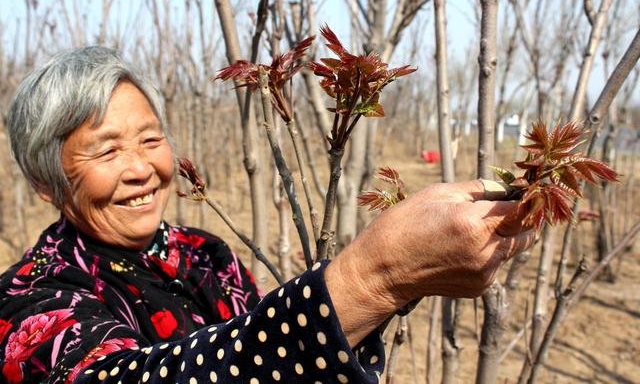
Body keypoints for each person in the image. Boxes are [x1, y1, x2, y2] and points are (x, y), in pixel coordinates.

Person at [0, 47, 534, 383]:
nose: (141, 168)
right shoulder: (28, 302)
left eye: (150, 139)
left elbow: (277, 359)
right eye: (107, 150)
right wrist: (373, 278)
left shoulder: (205, 254)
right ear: (45, 182)